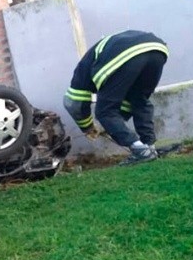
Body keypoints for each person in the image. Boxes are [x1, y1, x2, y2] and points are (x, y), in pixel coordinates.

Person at [63, 30, 169, 166]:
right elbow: (125, 105)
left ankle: (141, 151)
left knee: (104, 111)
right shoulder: (105, 54)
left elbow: (72, 103)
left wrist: (88, 128)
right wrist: (112, 125)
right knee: (140, 100)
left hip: (126, 53)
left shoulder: (81, 72)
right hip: (157, 50)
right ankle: (149, 146)